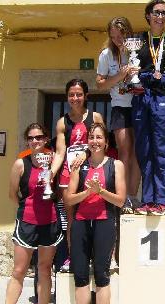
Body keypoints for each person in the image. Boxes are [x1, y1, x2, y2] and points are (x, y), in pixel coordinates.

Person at [60, 123, 126, 304]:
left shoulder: (116, 165)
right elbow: (68, 199)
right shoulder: (80, 166)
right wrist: (87, 192)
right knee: (80, 274)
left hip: (104, 223)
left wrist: (101, 191)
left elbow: (120, 200)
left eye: (99, 137)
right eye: (91, 137)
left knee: (101, 275)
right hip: (80, 224)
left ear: (106, 142)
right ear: (87, 141)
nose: (95, 141)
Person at [1, 123, 63, 304]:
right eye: (31, 138)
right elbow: (12, 193)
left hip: (50, 220)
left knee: (45, 270)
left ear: (46, 139)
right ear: (27, 140)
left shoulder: (53, 160)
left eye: (39, 137)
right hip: (27, 222)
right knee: (19, 270)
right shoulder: (21, 163)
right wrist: (25, 206)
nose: (35, 141)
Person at [132, 0, 165, 216]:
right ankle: (147, 200)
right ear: (148, 15)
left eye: (164, 13)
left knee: (163, 151)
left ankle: (161, 201)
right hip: (141, 97)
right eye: (156, 12)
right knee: (144, 150)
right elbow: (131, 69)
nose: (160, 16)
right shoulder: (137, 40)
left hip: (163, 99)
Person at [50, 79, 103, 272]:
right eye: (71, 94)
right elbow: (59, 152)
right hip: (68, 174)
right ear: (67, 97)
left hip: (90, 172)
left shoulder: (95, 117)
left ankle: (96, 257)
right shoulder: (62, 122)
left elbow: (102, 143)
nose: (75, 98)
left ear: (86, 96)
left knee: (94, 214)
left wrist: (86, 153)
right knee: (71, 219)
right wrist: (51, 173)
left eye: (79, 94)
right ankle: (74, 258)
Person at [96, 17, 140, 213]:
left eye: (120, 36)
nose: (117, 40)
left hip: (139, 105)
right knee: (124, 150)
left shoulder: (139, 49)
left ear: (128, 33)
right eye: (113, 37)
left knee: (138, 152)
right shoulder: (106, 54)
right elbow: (100, 84)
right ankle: (123, 198)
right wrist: (120, 76)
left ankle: (133, 197)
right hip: (120, 106)